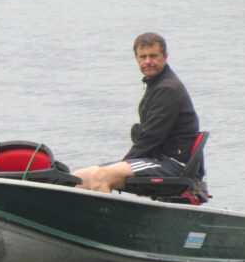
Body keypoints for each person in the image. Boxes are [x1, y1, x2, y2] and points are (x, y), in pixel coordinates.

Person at [73, 32, 200, 193]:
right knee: (78, 178)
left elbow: (151, 137)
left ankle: (105, 217)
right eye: (143, 57)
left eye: (153, 56)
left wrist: (124, 163)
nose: (148, 61)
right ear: (137, 59)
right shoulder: (156, 85)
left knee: (101, 176)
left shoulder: (168, 89)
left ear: (165, 56)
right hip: (154, 159)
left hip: (173, 164)